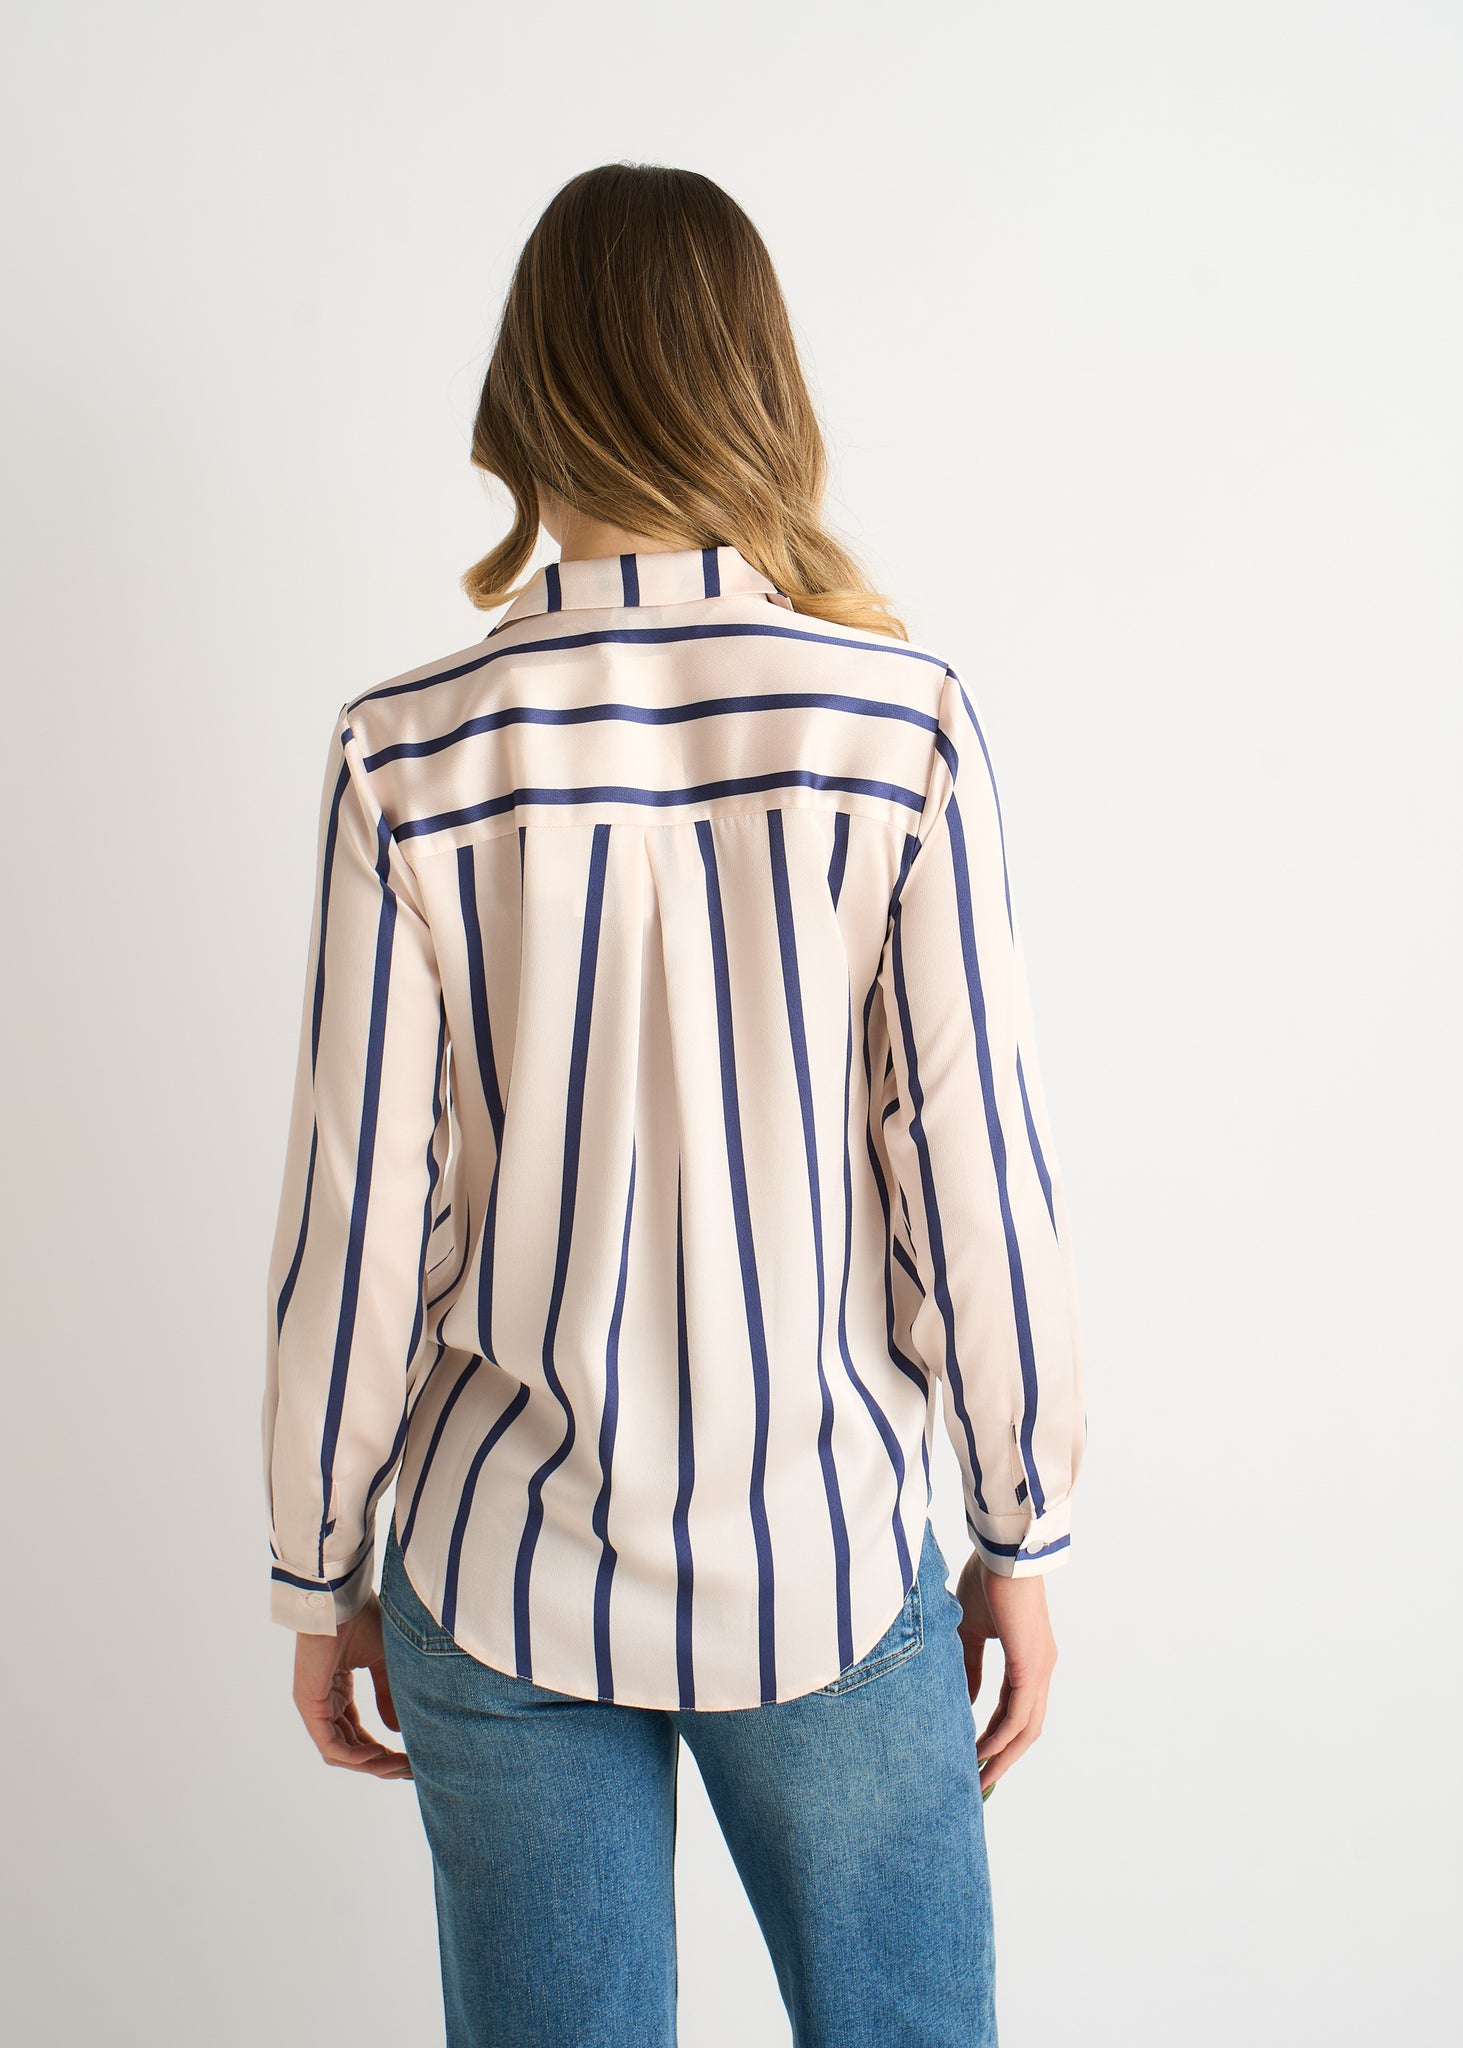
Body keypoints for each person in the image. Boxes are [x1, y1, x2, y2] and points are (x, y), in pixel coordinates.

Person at [261, 160, 1086, 2048]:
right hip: (824, 1550)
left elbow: (360, 1220)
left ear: (528, 388)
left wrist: (319, 1567)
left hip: (497, 1558)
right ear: (756, 381)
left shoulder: (405, 754)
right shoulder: (903, 725)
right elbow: (973, 1175)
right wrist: (1021, 1531)